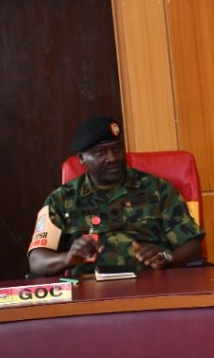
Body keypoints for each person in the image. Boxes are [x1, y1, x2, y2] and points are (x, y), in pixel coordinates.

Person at [28, 116, 204, 277]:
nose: (113, 158)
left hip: (152, 285)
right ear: (81, 158)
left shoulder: (158, 189)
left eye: (118, 149)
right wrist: (67, 258)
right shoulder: (61, 199)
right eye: (101, 152)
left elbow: (193, 248)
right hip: (90, 290)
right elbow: (37, 261)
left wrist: (166, 257)